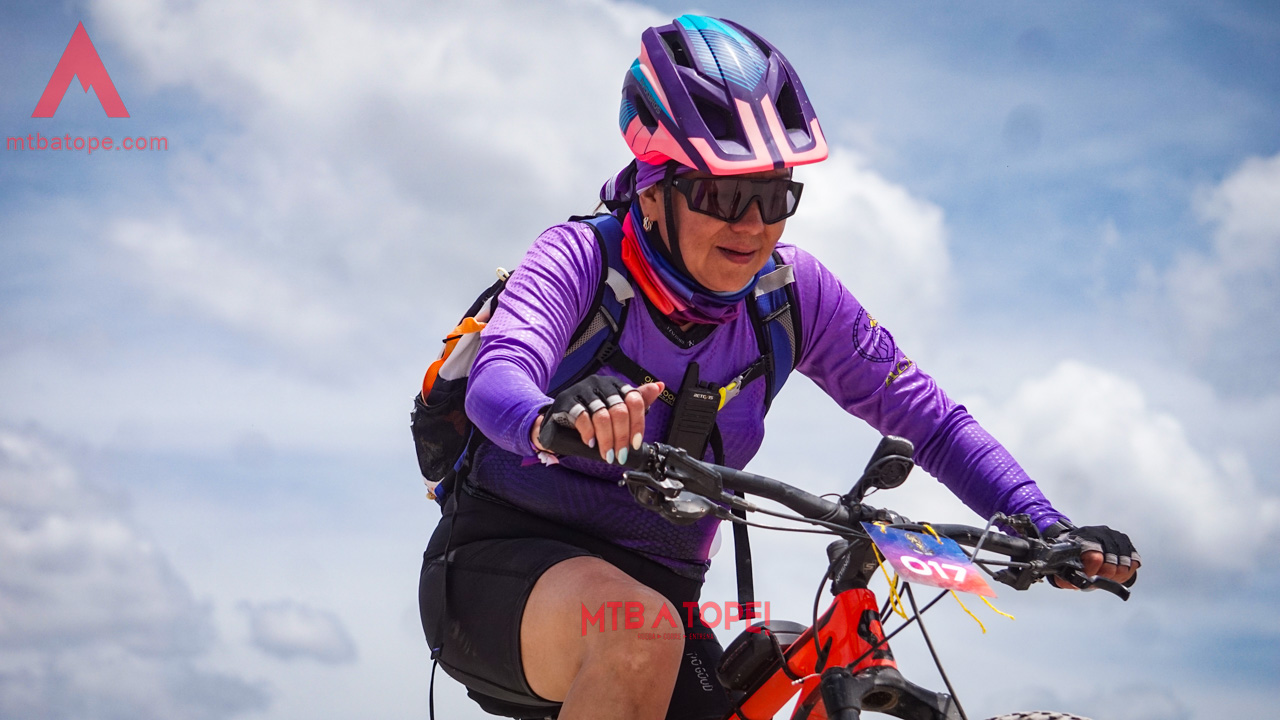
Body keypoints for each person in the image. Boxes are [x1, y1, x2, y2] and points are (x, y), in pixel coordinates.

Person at [418, 14, 1138, 720]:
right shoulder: (581, 258)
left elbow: (935, 426)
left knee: (761, 657)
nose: (754, 225)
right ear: (653, 189)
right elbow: (498, 378)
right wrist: (551, 417)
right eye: (725, 195)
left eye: (774, 197)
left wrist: (1047, 527)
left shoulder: (794, 295)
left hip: (667, 602)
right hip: (500, 574)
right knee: (640, 633)